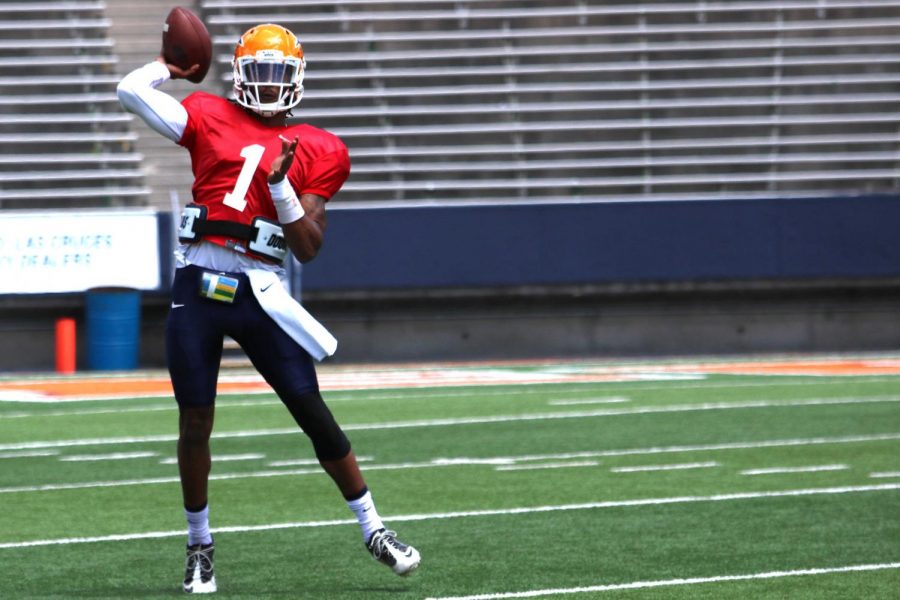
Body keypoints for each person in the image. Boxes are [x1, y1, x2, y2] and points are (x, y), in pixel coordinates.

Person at [117, 23, 420, 594]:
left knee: (312, 410)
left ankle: (374, 528)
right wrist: (169, 64)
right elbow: (131, 92)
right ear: (239, 74)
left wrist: (281, 189)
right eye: (259, 71)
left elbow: (308, 244)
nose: (269, 82)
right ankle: (199, 545)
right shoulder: (207, 112)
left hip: (259, 290)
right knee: (195, 420)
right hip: (199, 282)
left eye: (279, 72)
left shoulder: (321, 147)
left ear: (296, 78)